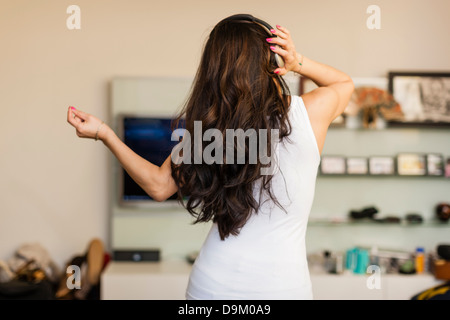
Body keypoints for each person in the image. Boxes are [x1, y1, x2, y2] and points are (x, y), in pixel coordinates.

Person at [67, 14, 354, 299]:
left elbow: (158, 186)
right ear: (271, 60)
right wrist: (297, 62)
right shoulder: (307, 114)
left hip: (211, 286)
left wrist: (104, 133)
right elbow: (344, 84)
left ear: (214, 70)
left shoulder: (209, 132)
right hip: (281, 289)